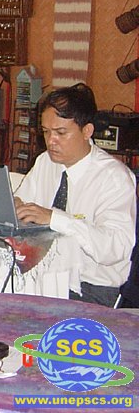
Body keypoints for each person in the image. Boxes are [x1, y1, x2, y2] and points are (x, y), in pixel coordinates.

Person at [15, 83, 136, 306]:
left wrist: (56, 218)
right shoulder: (46, 162)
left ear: (87, 131)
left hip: (90, 287)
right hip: (45, 274)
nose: (51, 141)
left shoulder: (114, 177)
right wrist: (12, 204)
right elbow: (22, 201)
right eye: (46, 132)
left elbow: (114, 249)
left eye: (61, 133)